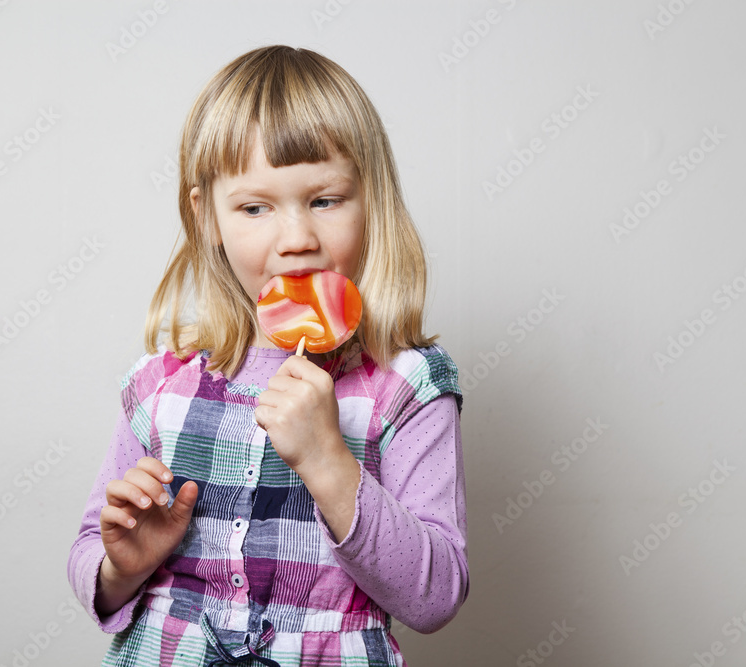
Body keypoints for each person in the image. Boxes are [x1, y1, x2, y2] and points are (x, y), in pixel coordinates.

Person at [68, 45, 468, 667]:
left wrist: (328, 460)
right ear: (209, 218)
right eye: (256, 208)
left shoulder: (406, 386)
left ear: (373, 201)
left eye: (325, 200)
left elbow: (436, 596)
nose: (297, 239)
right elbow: (90, 547)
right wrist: (125, 565)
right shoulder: (161, 383)